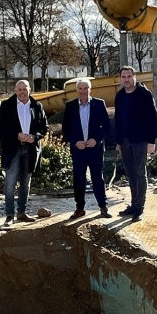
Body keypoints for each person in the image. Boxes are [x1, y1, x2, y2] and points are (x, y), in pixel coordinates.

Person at [0, 79, 47, 224]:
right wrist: (16, 135)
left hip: (30, 149)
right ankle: (9, 214)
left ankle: (21, 212)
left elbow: (44, 127)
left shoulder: (37, 106)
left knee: (25, 182)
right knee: (10, 182)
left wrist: (35, 137)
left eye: (25, 89)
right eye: (20, 89)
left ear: (30, 90)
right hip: (13, 148)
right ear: (15, 91)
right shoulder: (7, 105)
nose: (22, 92)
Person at [61, 77, 112, 220]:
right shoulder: (70, 106)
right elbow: (66, 129)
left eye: (85, 88)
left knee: (97, 178)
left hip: (94, 148)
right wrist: (75, 141)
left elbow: (106, 127)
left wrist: (96, 140)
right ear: (77, 90)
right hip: (78, 149)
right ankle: (79, 208)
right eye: (80, 89)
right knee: (79, 179)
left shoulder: (99, 104)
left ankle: (103, 206)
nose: (83, 91)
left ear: (90, 89)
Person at [113, 65, 157, 220]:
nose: (126, 80)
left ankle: (140, 208)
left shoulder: (144, 94)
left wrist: (151, 141)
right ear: (121, 78)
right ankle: (133, 205)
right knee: (131, 175)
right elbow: (118, 121)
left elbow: (153, 119)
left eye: (129, 76)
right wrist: (118, 142)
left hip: (140, 141)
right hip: (125, 141)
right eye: (123, 77)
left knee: (140, 174)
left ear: (134, 77)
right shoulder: (119, 96)